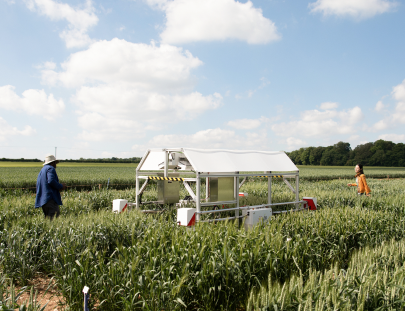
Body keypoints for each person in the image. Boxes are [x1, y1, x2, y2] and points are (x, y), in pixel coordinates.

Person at [35, 154, 67, 219]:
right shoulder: (50, 168)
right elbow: (51, 180)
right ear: (52, 162)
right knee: (54, 218)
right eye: (55, 162)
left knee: (48, 219)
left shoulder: (42, 170)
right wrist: (60, 186)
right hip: (50, 199)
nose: (56, 165)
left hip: (43, 200)